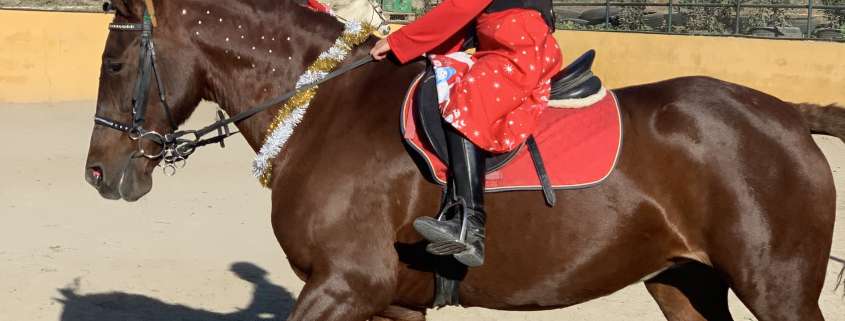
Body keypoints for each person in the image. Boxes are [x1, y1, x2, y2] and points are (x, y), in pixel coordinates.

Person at [370, 0, 562, 267]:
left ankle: (470, 224)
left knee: (468, 99)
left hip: (517, 44)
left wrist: (403, 41)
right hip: (500, 42)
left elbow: (461, 5)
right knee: (449, 75)